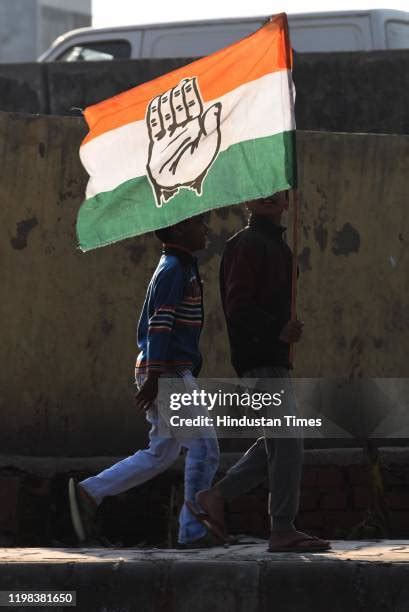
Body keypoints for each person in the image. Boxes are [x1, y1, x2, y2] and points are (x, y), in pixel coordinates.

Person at [189, 192, 331, 552]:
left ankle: (216, 496)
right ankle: (282, 528)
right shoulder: (246, 244)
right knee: (288, 439)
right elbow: (238, 307)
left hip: (276, 358)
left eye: (278, 192)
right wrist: (275, 330)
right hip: (257, 357)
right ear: (246, 202)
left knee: (279, 441)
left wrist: (286, 331)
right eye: (260, 191)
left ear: (287, 203)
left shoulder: (282, 250)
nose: (269, 197)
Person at [69, 214, 220, 548]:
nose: (206, 228)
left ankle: (89, 492)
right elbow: (160, 325)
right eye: (199, 223)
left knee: (162, 453)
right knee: (205, 448)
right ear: (180, 229)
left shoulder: (181, 266)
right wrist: (154, 377)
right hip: (167, 371)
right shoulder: (172, 270)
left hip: (164, 370)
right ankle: (193, 530)